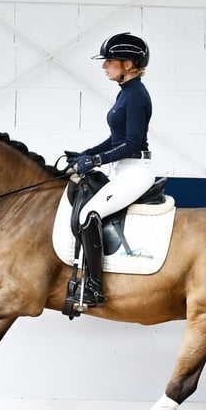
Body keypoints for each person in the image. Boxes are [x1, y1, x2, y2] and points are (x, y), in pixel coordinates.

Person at [65, 32, 156, 309]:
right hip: (121, 168)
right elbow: (115, 140)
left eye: (109, 61)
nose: (104, 66)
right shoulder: (125, 94)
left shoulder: (137, 95)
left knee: (89, 214)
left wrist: (96, 161)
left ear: (128, 64)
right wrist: (87, 154)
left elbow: (131, 144)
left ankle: (94, 287)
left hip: (135, 170)